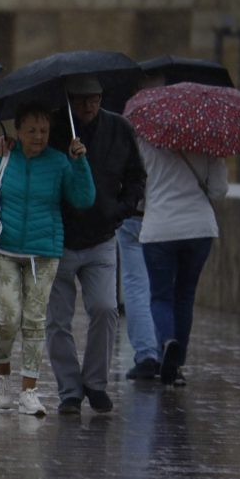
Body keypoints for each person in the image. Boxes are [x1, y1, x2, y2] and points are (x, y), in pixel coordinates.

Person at [0, 103, 95, 416]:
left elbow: (83, 199)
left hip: (44, 252)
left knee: (35, 322)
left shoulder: (59, 163)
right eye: (32, 131)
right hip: (4, 249)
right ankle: (2, 375)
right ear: (18, 131)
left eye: (44, 131)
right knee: (9, 316)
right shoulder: (1, 156)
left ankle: (30, 392)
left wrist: (80, 164)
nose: (39, 137)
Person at [45, 74, 146, 415]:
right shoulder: (53, 130)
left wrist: (120, 210)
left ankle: (96, 383)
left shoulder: (119, 129)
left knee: (104, 308)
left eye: (95, 99)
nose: (89, 106)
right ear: (68, 100)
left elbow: (136, 175)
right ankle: (69, 390)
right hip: (59, 239)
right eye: (82, 99)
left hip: (102, 237)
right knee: (57, 320)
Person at [138, 138, 228, 385]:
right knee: (185, 295)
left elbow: (139, 186)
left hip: (159, 229)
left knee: (160, 296)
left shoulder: (146, 143)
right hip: (199, 229)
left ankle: (167, 342)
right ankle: (176, 367)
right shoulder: (208, 143)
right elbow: (219, 191)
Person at [118, 71, 166, 380]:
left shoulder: (127, 130)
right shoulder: (174, 136)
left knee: (136, 286)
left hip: (134, 217)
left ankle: (147, 353)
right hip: (166, 220)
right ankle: (167, 351)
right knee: (164, 291)